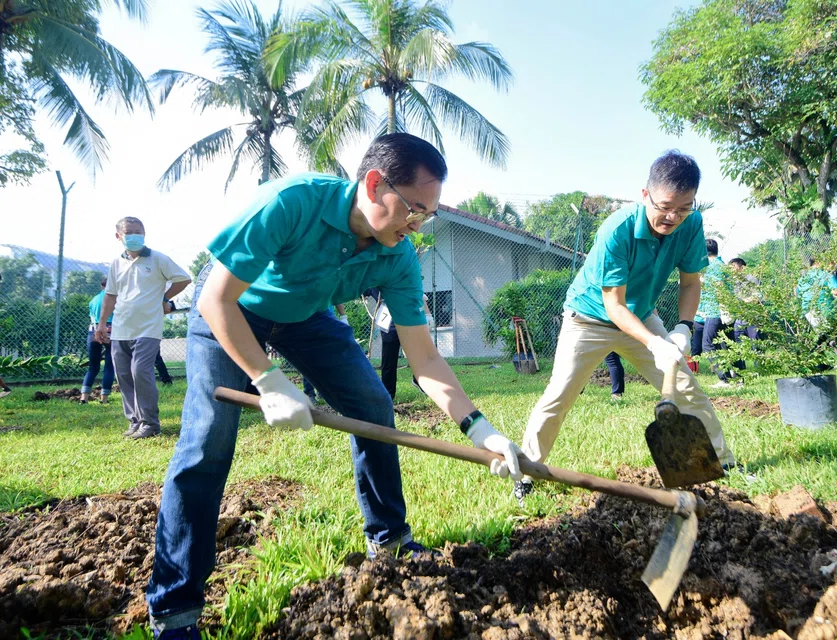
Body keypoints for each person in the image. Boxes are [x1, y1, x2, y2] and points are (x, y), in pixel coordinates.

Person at [145, 133, 522, 639]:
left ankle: (389, 539)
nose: (417, 225)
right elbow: (215, 301)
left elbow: (425, 356)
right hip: (234, 311)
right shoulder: (292, 201)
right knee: (207, 441)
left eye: (427, 216)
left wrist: (480, 429)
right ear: (374, 183)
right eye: (414, 209)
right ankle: (174, 610)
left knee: (371, 403)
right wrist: (268, 379)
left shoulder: (398, 255)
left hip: (307, 318)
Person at [514, 151, 738, 503]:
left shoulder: (691, 223)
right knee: (559, 395)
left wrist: (682, 327)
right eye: (665, 206)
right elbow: (613, 305)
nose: (672, 217)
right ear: (645, 194)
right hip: (589, 319)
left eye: (683, 208)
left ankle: (724, 463)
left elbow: (690, 282)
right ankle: (526, 471)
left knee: (687, 387)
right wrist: (654, 343)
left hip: (642, 314)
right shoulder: (617, 230)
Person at [95, 218, 191, 439]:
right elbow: (110, 295)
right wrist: (102, 324)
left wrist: (164, 298)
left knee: (140, 372)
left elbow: (183, 279)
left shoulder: (157, 259)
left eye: (139, 232)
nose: (135, 236)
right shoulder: (116, 263)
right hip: (120, 328)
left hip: (148, 327)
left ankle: (150, 423)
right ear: (118, 236)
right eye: (129, 232)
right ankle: (135, 421)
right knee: (124, 375)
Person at [697, 238, 736, 387]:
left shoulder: (713, 266)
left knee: (708, 344)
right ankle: (738, 377)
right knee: (728, 344)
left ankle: (724, 379)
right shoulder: (721, 265)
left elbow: (719, 286)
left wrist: (723, 308)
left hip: (716, 311)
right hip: (722, 311)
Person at [302, 304, 348, 402]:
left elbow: (337, 297)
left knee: (327, 360)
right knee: (308, 359)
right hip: (308, 322)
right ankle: (309, 393)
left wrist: (343, 317)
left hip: (328, 323)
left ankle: (323, 392)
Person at [80, 277, 115, 404]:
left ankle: (84, 397)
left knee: (92, 367)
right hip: (111, 330)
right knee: (109, 367)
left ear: (102, 286)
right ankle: (104, 399)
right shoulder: (115, 298)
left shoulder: (93, 300)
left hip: (93, 331)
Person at [728, 258, 760, 372]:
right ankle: (741, 369)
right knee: (738, 345)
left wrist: (744, 301)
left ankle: (759, 369)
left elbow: (757, 297)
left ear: (742, 267)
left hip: (752, 318)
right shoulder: (733, 282)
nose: (732, 270)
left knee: (755, 344)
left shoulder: (752, 279)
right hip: (739, 319)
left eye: (734, 267)